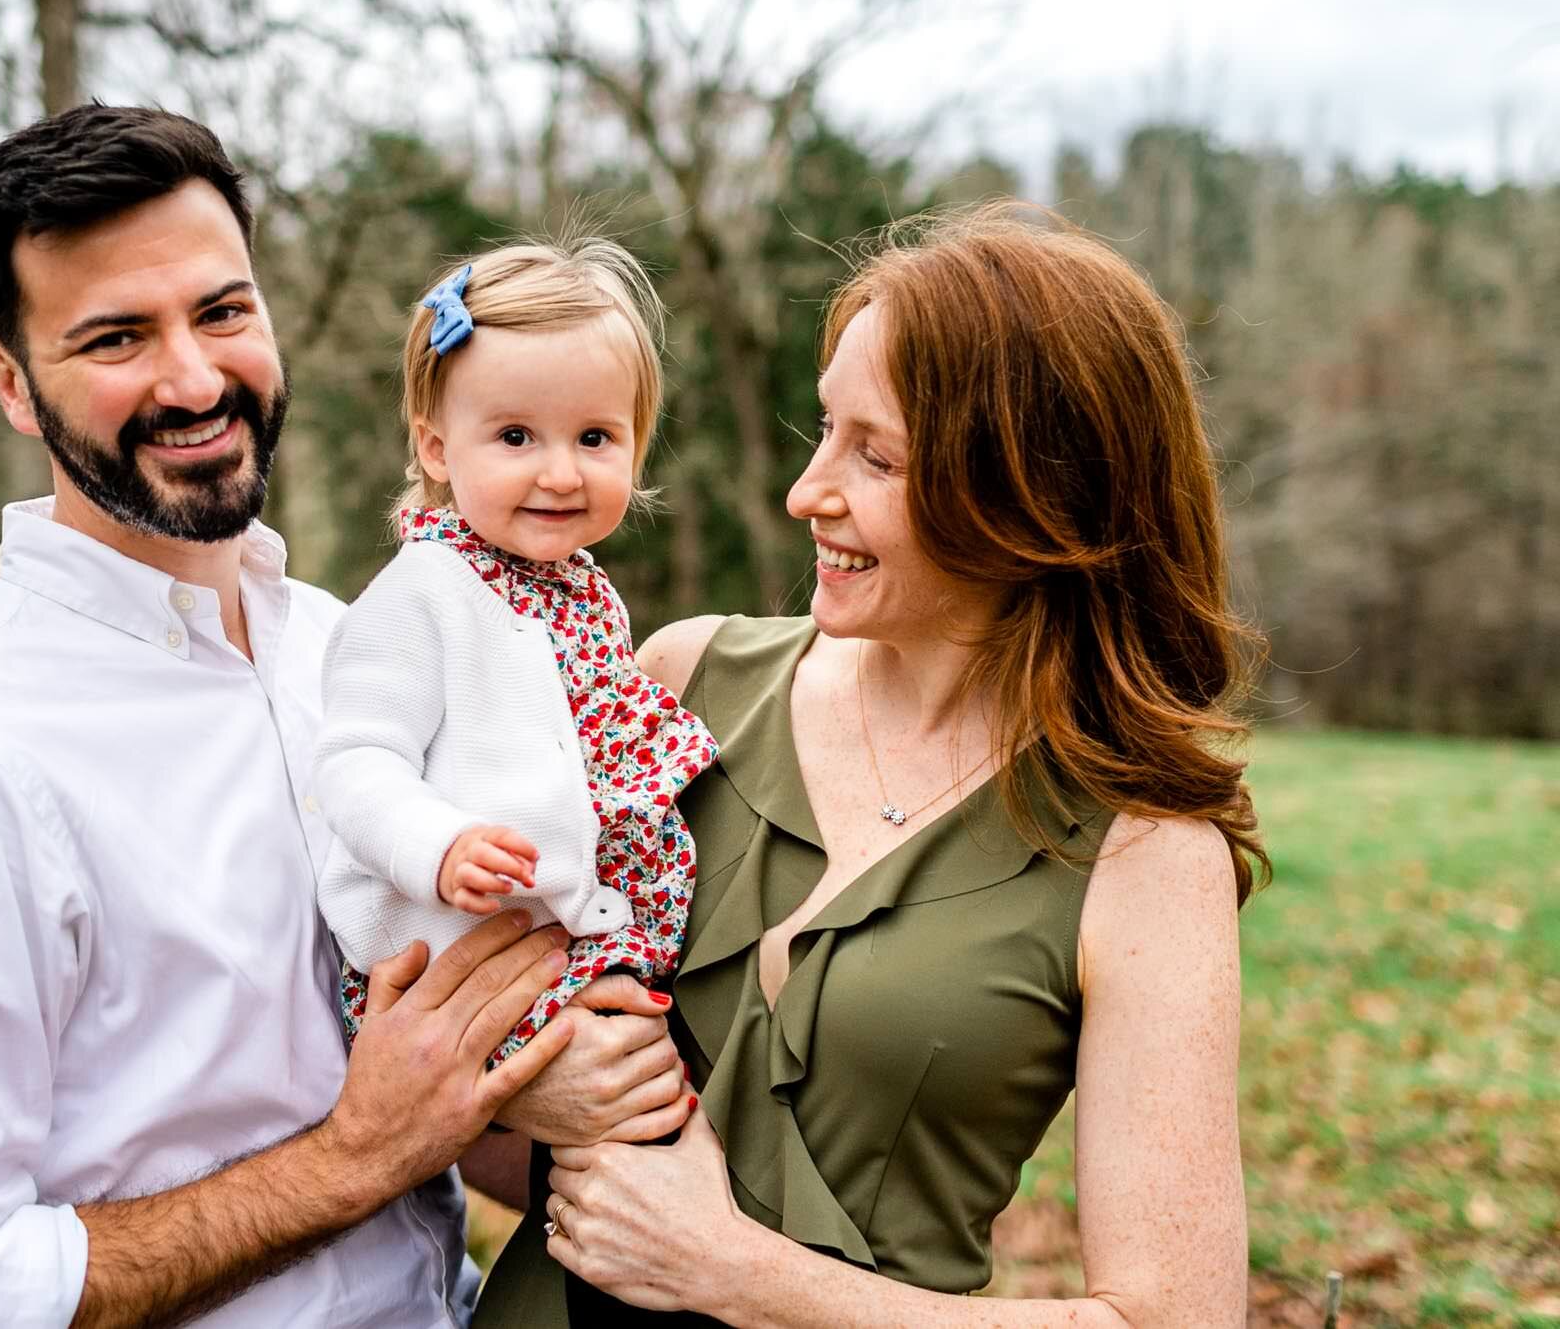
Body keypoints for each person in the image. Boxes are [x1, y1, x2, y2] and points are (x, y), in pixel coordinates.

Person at [0, 103, 679, 1329]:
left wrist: (549, 1091)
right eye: (114, 338)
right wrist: (350, 1160)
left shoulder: (339, 640)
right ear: (11, 382)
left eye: (220, 312)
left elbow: (411, 1071)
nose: (195, 379)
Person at [475, 201, 1265, 1325]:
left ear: (1026, 495)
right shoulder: (680, 683)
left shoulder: (1142, 855)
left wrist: (739, 1276)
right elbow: (481, 1085)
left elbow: (1173, 1318)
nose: (808, 492)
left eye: (874, 455)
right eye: (821, 432)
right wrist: (520, 1095)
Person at [313, 240, 718, 1064]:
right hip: (453, 961)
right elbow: (355, 762)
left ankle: (618, 1188)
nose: (562, 472)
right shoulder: (422, 592)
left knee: (658, 1075)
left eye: (596, 437)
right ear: (435, 449)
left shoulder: (582, 589)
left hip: (571, 939)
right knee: (631, 1089)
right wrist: (439, 845)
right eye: (517, 436)